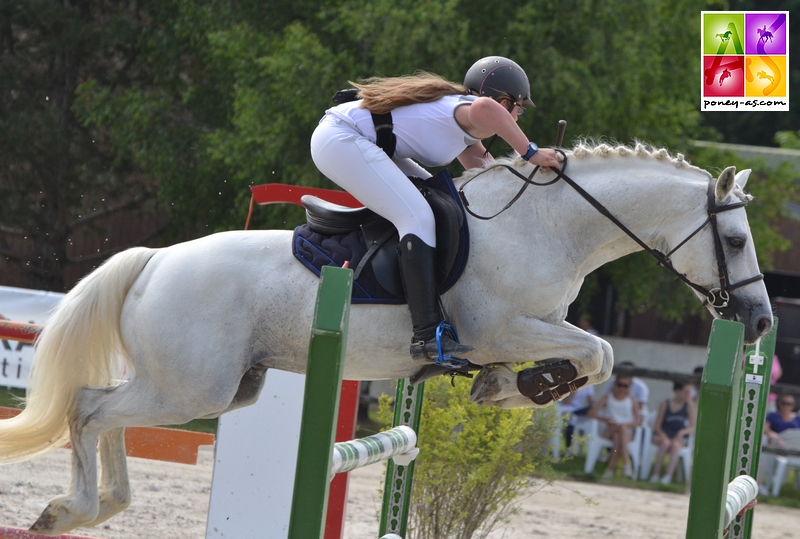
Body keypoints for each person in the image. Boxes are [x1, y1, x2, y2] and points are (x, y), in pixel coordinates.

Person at [310, 57, 560, 362]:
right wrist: (532, 153)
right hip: (341, 139)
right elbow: (487, 107)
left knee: (445, 204)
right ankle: (426, 335)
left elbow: (489, 178)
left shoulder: (466, 130)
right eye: (518, 109)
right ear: (505, 101)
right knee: (417, 216)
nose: (517, 117)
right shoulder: (475, 110)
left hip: (365, 142)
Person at [589, 375, 640, 478]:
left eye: (625, 386)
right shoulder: (608, 398)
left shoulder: (632, 400)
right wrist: (605, 420)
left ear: (629, 387)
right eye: (619, 385)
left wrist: (626, 424)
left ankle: (611, 469)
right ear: (615, 385)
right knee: (620, 429)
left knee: (618, 436)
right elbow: (591, 413)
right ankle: (626, 465)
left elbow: (638, 421)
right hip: (609, 430)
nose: (622, 388)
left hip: (624, 432)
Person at [648, 382, 696, 485]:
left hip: (676, 436)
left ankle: (668, 476)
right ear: (678, 391)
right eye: (686, 392)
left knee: (676, 446)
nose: (688, 395)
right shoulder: (665, 404)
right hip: (663, 434)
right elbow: (657, 426)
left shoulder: (688, 406)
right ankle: (655, 475)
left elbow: (692, 427)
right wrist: (663, 436)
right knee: (664, 444)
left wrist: (682, 433)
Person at [758, 394, 800, 495]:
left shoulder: (797, 418)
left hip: (794, 449)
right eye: (784, 403)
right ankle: (761, 485)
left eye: (789, 404)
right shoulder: (773, 415)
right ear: (779, 404)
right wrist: (776, 436)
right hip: (775, 447)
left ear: (793, 405)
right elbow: (765, 428)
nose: (786, 406)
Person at [558, 384, 595, 452]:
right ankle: (568, 448)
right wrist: (575, 388)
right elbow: (566, 402)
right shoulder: (571, 382)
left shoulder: (589, 384)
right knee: (572, 419)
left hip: (578, 410)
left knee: (592, 410)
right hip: (566, 409)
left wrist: (594, 404)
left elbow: (590, 400)